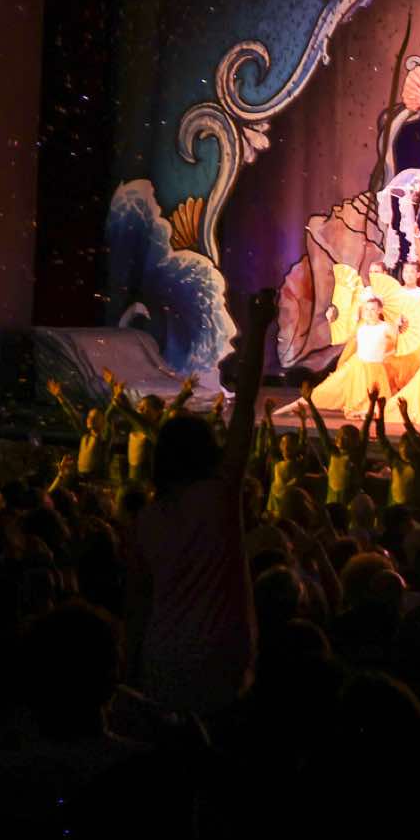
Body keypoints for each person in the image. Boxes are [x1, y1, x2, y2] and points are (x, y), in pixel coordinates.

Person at [124, 288, 271, 717]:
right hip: (221, 655)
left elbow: (137, 604)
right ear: (207, 451)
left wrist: (130, 669)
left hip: (163, 654)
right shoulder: (219, 495)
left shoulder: (145, 519)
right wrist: (258, 329)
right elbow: (245, 407)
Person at [310, 296, 405, 420]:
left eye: (373, 309)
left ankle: (366, 412)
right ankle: (297, 404)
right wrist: (331, 321)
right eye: (367, 309)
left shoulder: (385, 327)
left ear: (380, 310)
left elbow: (398, 345)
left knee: (376, 404)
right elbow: (343, 337)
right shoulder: (360, 327)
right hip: (357, 367)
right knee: (326, 390)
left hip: (376, 369)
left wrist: (397, 328)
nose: (369, 313)